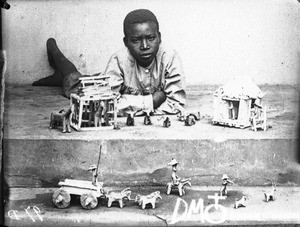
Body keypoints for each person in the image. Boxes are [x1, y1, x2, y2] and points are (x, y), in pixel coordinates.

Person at [32, 9, 186, 114]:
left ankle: (60, 76)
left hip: (116, 85)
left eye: (151, 38)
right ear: (126, 42)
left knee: (87, 79)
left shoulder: (170, 57)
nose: (145, 46)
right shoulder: (119, 59)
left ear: (159, 37)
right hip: (105, 84)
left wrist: (130, 105)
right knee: (77, 84)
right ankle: (56, 55)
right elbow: (105, 104)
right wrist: (152, 101)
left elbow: (176, 104)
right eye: (136, 40)